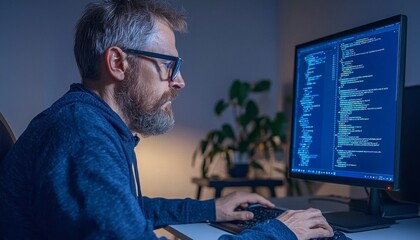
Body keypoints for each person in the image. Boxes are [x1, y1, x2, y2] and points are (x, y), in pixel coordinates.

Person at [0, 0, 334, 239]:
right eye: (168, 65)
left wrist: (209, 209)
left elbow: (124, 210)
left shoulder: (85, 121)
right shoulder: (82, 135)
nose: (179, 81)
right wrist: (279, 231)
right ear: (118, 63)